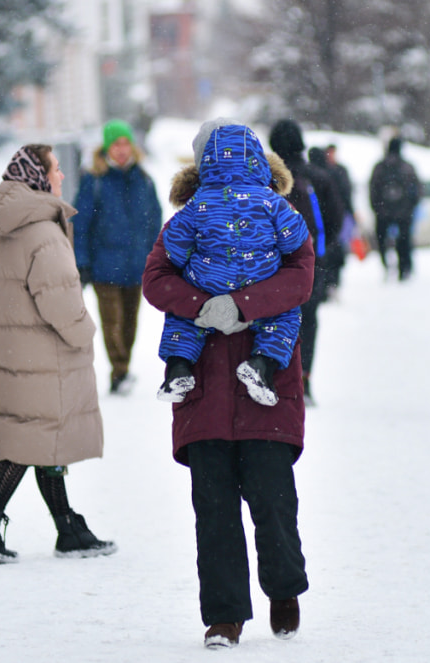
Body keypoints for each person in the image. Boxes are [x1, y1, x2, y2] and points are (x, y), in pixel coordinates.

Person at [142, 160, 315, 649]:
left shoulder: (276, 212)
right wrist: (202, 307)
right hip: (204, 384)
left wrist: (245, 305)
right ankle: (224, 616)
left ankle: (283, 590)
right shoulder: (189, 219)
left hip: (267, 383)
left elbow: (301, 276)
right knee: (213, 508)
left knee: (273, 499)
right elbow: (155, 278)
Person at [0, 144, 115, 563]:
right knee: (29, 442)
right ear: (38, 175)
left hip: (17, 351)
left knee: (41, 437)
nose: (62, 177)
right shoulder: (44, 232)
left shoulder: (10, 227)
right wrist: (85, 331)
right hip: (45, 355)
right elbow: (60, 300)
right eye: (56, 169)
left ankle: (68, 528)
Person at [157, 120, 309, 407]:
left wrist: (194, 286)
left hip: (208, 282)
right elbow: (296, 238)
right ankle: (262, 364)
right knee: (284, 317)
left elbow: (174, 245)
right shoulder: (271, 200)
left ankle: (178, 368)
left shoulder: (198, 201)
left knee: (182, 320)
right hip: (260, 278)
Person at [72, 120, 163, 396]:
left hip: (137, 266)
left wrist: (154, 256)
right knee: (112, 322)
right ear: (107, 148)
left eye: (125, 144)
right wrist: (82, 263)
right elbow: (80, 225)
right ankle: (119, 372)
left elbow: (155, 221)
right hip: (104, 267)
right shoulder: (94, 181)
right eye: (116, 144)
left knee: (130, 324)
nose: (122, 150)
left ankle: (123, 367)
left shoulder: (144, 180)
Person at [269, 119, 344, 406]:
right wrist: (320, 250)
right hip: (314, 265)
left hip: (273, 267)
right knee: (308, 321)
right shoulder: (318, 178)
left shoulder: (268, 178)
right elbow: (336, 219)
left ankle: (277, 376)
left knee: (275, 321)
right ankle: (305, 378)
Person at [368, 137, 422, 280]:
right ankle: (404, 268)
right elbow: (416, 190)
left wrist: (377, 209)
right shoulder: (407, 167)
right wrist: (410, 207)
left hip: (383, 212)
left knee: (382, 240)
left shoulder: (379, 167)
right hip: (403, 212)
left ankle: (386, 265)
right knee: (404, 241)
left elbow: (373, 190)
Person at [308, 145, 353, 297]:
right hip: (330, 224)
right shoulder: (334, 173)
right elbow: (343, 198)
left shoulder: (305, 176)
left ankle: (322, 288)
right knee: (334, 254)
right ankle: (332, 284)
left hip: (312, 226)